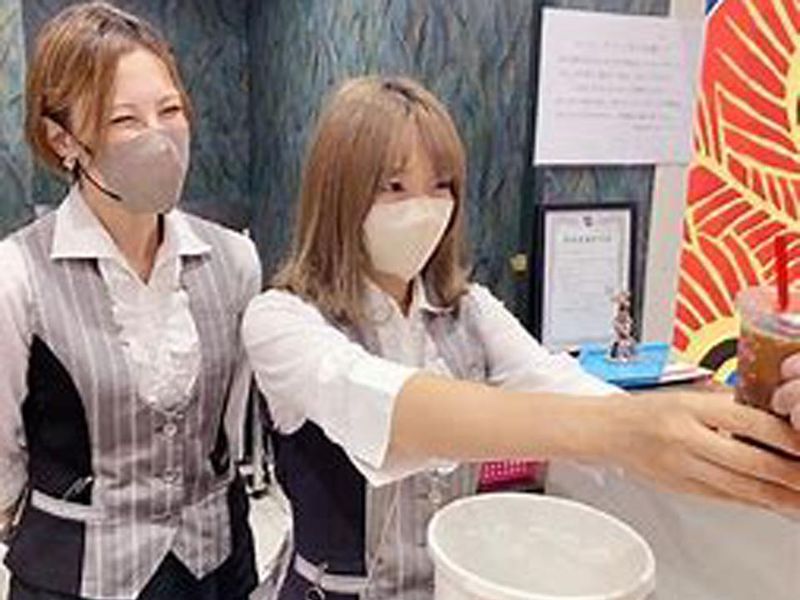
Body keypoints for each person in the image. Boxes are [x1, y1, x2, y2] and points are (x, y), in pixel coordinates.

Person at [242, 75, 800, 600]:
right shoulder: (281, 320)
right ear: (338, 193)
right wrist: (627, 431)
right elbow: (384, 404)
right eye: (394, 187)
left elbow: (560, 384)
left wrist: (730, 432)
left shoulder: (471, 310)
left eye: (441, 186)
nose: (424, 209)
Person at [0, 3, 260, 598]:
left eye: (170, 111)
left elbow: (226, 427)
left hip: (213, 566)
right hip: (75, 577)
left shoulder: (236, 260)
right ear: (63, 139)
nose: (159, 137)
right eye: (125, 120)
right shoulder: (16, 276)